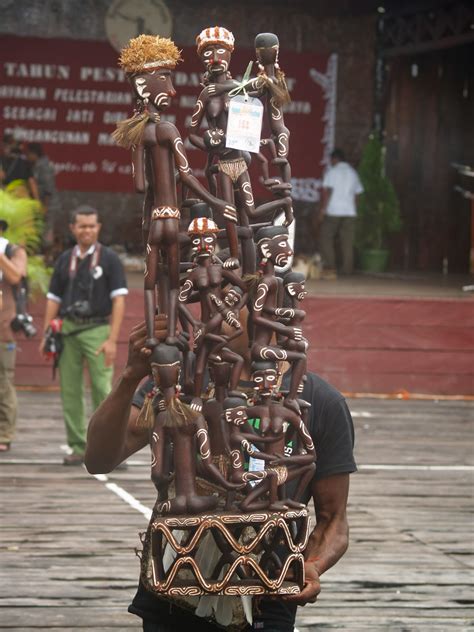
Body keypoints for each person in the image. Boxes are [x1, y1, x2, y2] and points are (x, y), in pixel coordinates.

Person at [85, 313, 356, 631]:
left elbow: (334, 520)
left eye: (231, 297)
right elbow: (99, 460)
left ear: (268, 307)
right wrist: (131, 375)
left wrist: (313, 565)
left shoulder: (321, 402)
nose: (213, 312)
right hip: (174, 589)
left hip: (265, 599)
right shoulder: (175, 379)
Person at [40, 205, 128, 465]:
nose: (87, 230)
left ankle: (110, 450)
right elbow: (53, 299)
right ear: (73, 229)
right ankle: (78, 446)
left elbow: (119, 301)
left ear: (98, 228)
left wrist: (112, 339)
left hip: (98, 329)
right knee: (70, 390)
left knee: (103, 389)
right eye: (82, 226)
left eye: (91, 226)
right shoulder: (65, 259)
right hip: (67, 329)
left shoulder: (109, 258)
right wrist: (47, 333)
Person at [0, 217, 27, 452]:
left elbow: (16, 276)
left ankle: (5, 435)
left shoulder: (14, 251)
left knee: (3, 383)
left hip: (4, 331)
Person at [318, 148, 363, 279]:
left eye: (331, 160)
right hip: (350, 212)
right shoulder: (353, 173)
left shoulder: (332, 172)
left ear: (335, 159)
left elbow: (327, 193)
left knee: (326, 237)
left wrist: (322, 210)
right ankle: (347, 270)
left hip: (333, 211)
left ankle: (330, 267)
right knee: (347, 241)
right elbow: (358, 194)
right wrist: (354, 209)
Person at [25, 142, 60, 248]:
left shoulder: (44, 166)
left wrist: (45, 206)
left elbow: (48, 189)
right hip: (41, 204)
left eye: (28, 154)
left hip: (48, 204)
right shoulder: (36, 165)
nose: (27, 157)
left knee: (47, 232)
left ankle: (47, 257)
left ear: (34, 153)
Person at [0, 133, 39, 200]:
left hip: (10, 201)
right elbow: (32, 183)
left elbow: (32, 183)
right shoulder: (25, 163)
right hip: (15, 201)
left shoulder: (24, 163)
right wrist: (37, 201)